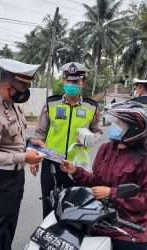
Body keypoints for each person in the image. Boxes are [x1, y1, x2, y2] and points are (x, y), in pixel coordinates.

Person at [61, 101, 147, 250]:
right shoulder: (106, 149)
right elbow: (96, 180)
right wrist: (75, 171)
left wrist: (111, 193)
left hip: (128, 229)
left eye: (119, 123)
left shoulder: (146, 161)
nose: (113, 126)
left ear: (134, 130)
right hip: (99, 221)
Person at [0, 58, 46, 250]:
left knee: (8, 226)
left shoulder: (11, 104)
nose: (24, 94)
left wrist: (31, 142)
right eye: (22, 89)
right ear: (8, 87)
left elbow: (14, 136)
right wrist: (24, 157)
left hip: (14, 176)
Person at [35, 62, 102, 218]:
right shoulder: (51, 103)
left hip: (77, 165)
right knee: (49, 202)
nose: (72, 84)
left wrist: (90, 140)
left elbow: (97, 131)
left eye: (75, 81)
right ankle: (49, 234)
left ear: (82, 84)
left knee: (75, 204)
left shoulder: (91, 107)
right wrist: (35, 159)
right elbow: (40, 132)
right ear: (64, 82)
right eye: (69, 81)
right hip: (51, 161)